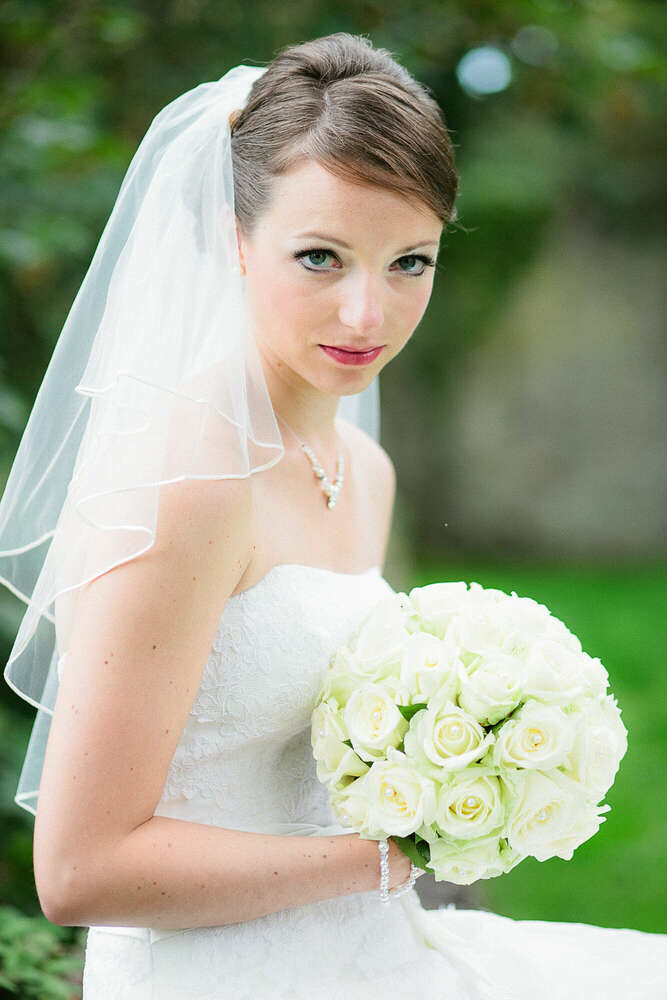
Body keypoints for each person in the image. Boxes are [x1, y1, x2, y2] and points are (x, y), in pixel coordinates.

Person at [1, 31, 665, 1000]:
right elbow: (79, 869)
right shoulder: (187, 479)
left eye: (410, 261)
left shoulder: (364, 469)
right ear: (234, 238)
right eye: (321, 256)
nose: (367, 314)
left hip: (369, 954)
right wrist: (393, 854)